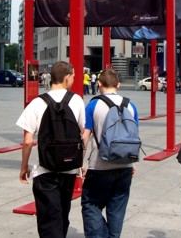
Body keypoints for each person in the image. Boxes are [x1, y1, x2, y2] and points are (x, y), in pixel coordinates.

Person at [16, 61, 85, 238]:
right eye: (73, 77)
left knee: (48, 218)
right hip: (69, 169)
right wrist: (80, 160)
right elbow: (84, 133)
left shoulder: (37, 103)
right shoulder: (76, 101)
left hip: (44, 170)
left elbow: (28, 141)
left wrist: (24, 166)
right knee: (62, 214)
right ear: (67, 77)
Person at [81, 68, 139, 238]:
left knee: (91, 204)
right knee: (117, 207)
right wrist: (132, 162)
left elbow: (85, 136)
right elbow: (133, 135)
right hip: (125, 164)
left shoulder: (93, 104)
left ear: (99, 84)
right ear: (118, 85)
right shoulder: (131, 105)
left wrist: (80, 162)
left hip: (99, 166)